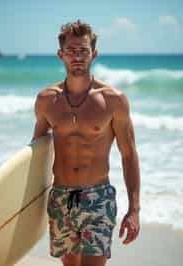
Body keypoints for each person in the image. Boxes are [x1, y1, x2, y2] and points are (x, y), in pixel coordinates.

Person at [31, 19, 141, 266]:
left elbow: (128, 154)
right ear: (61, 55)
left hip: (98, 197)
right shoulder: (46, 100)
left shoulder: (114, 101)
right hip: (60, 197)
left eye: (83, 50)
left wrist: (134, 209)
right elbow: (35, 153)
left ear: (94, 54)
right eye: (71, 51)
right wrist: (27, 206)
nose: (77, 57)